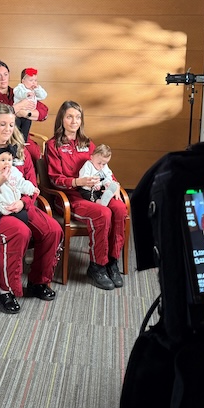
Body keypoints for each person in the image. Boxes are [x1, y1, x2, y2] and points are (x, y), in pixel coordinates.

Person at [0, 103, 63, 313]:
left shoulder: (21, 151)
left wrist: (23, 203)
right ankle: (5, 290)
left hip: (18, 204)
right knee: (19, 232)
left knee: (53, 230)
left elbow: (32, 187)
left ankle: (38, 282)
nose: (7, 129)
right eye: (2, 124)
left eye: (11, 124)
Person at [45, 100, 127, 290]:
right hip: (70, 197)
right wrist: (76, 182)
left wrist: (114, 185)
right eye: (70, 116)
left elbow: (103, 167)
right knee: (103, 213)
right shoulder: (53, 145)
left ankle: (111, 262)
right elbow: (54, 179)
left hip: (96, 192)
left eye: (78, 117)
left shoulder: (88, 143)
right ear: (62, 119)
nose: (74, 121)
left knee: (120, 209)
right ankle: (97, 266)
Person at [0, 60, 48, 164]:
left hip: (22, 137)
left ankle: (30, 180)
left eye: (5, 74)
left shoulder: (20, 93)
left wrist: (26, 114)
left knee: (35, 154)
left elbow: (44, 113)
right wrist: (18, 107)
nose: (3, 78)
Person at [12, 67, 48, 144]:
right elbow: (16, 92)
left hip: (27, 115)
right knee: (17, 127)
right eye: (31, 80)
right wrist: (26, 94)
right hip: (17, 114)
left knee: (26, 126)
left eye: (35, 80)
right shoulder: (20, 87)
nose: (33, 83)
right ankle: (15, 141)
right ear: (23, 81)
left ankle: (24, 141)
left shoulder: (34, 90)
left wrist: (38, 89)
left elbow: (43, 96)